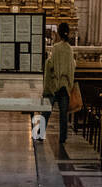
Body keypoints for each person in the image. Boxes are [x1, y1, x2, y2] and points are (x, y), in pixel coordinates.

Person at [42, 20, 75, 153]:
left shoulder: (56, 48)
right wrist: (69, 84)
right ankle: (62, 137)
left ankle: (39, 133)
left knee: (46, 110)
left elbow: (51, 64)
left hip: (54, 84)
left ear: (58, 34)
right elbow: (72, 66)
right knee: (63, 113)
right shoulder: (69, 49)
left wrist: (48, 63)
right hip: (65, 85)